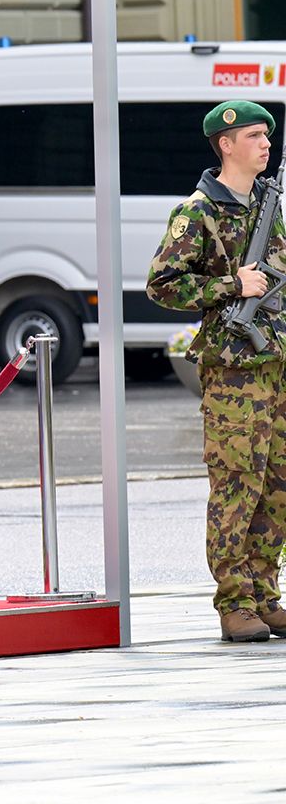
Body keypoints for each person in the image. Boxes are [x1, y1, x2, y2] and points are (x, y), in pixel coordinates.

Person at [148, 99, 286, 643]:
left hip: (275, 361)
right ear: (225, 144)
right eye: (254, 136)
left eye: (267, 136)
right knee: (237, 482)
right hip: (234, 370)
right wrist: (231, 286)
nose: (265, 144)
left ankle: (265, 593)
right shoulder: (199, 210)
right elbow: (162, 284)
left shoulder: (269, 205)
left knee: (277, 482)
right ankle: (234, 602)